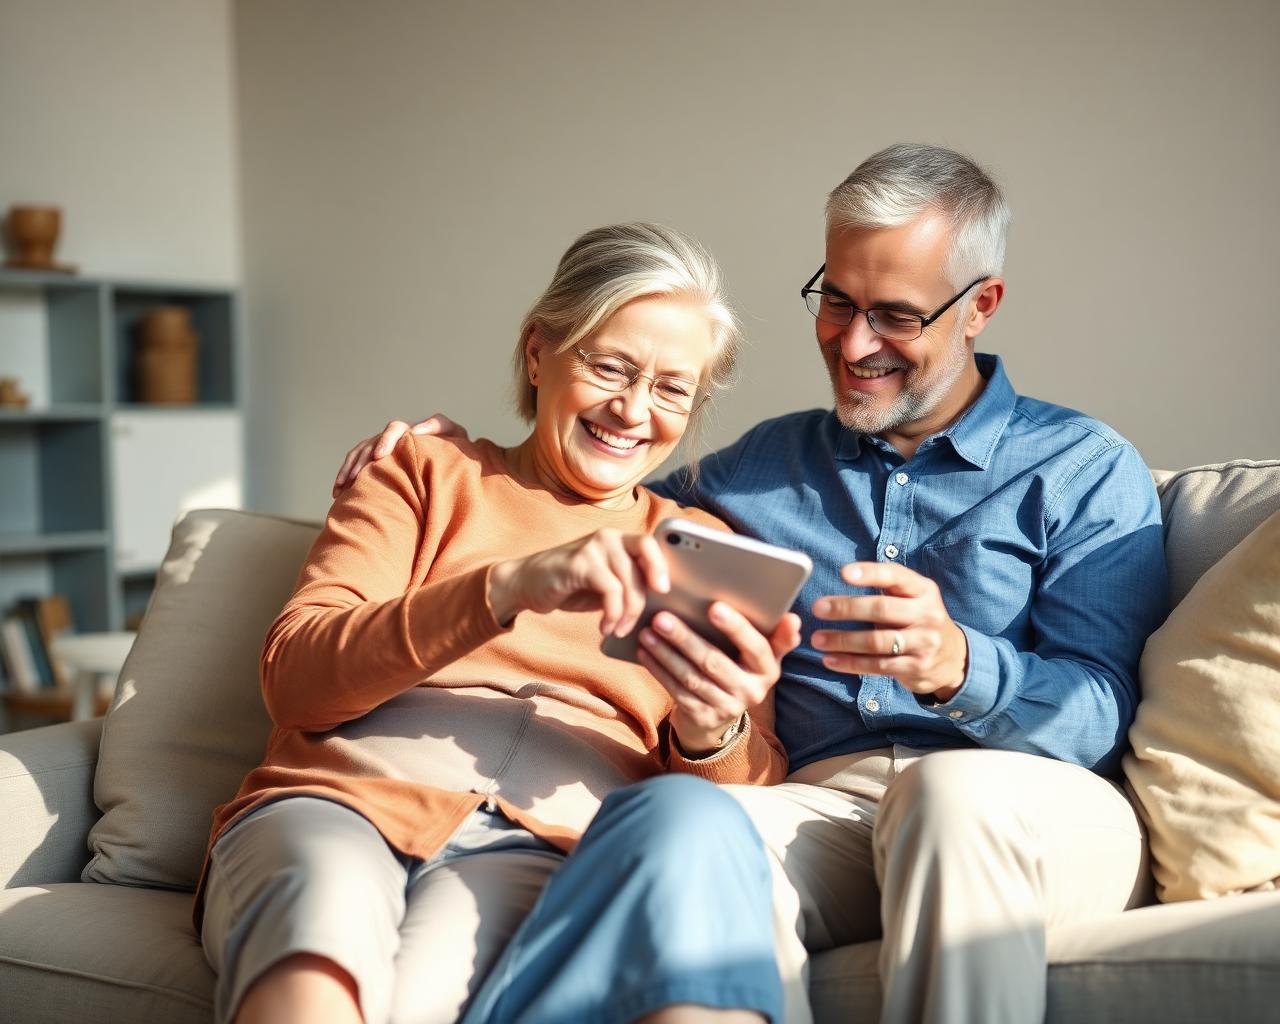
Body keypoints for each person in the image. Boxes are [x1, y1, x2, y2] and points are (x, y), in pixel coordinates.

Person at [341, 144, 1171, 1024]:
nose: (854, 344)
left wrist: (963, 664)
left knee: (947, 799)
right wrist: (467, 453)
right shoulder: (758, 470)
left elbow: (1101, 715)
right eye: (837, 301)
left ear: (981, 308)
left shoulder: (1081, 468)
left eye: (894, 315)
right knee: (680, 824)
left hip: (1035, 804)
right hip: (827, 806)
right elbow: (593, 499)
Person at [198, 222, 803, 1024]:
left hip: (539, 846)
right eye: (609, 365)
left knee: (421, 998)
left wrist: (710, 729)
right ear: (537, 352)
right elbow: (297, 680)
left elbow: (732, 824)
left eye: (671, 389)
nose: (632, 409)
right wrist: (508, 586)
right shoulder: (423, 471)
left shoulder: (703, 551)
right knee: (317, 933)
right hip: (339, 799)